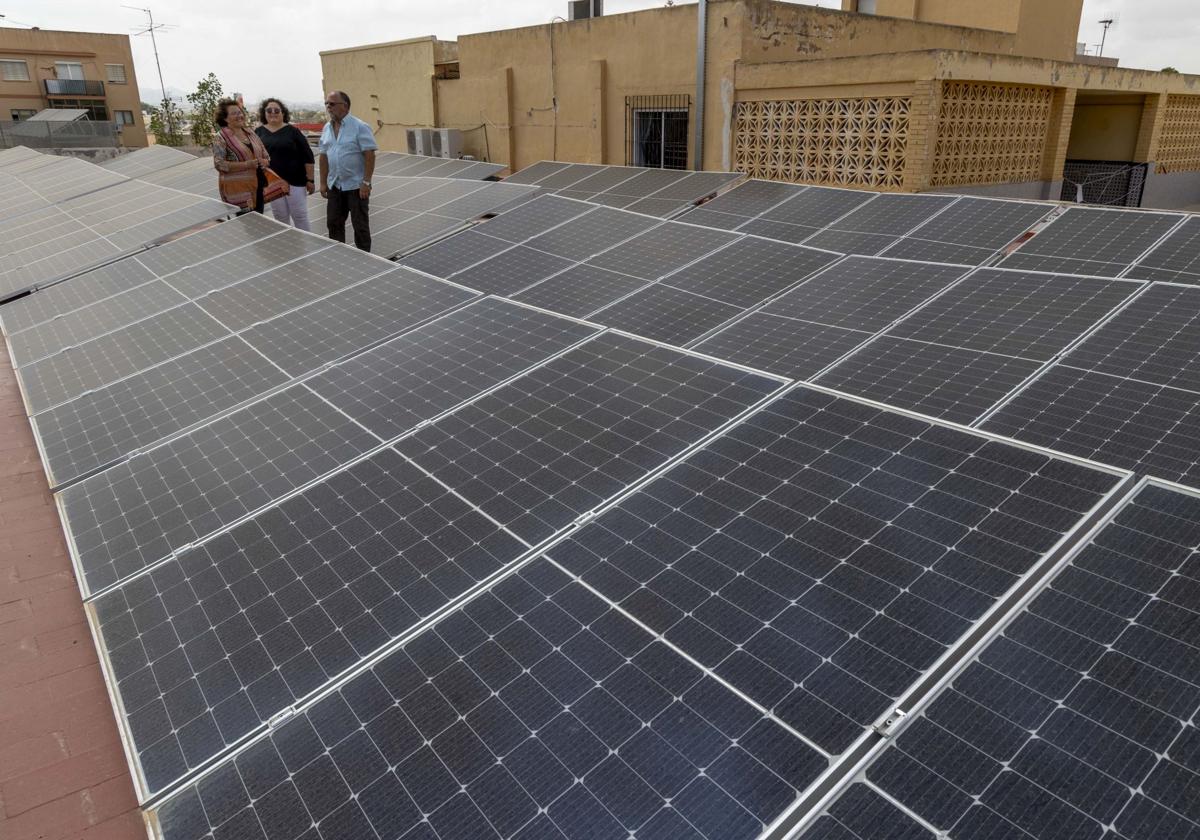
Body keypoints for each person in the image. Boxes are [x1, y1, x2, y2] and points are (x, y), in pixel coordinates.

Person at [318, 90, 377, 252]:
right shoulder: (326, 128)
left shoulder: (360, 126)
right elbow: (323, 156)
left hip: (356, 187)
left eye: (332, 104)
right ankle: (340, 257)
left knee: (360, 226)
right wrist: (323, 183)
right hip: (335, 186)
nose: (328, 107)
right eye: (327, 104)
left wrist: (366, 182)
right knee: (333, 224)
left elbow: (369, 155)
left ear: (345, 106)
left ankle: (365, 259)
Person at [255, 97, 315, 230]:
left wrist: (310, 180)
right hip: (272, 183)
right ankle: (288, 247)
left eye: (277, 110)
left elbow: (308, 157)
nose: (273, 113)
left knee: (299, 216)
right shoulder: (258, 133)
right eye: (269, 110)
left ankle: (307, 246)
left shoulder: (293, 132)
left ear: (283, 113)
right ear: (264, 113)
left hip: (295, 182)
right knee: (280, 217)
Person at [212, 98, 271, 213]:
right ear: (225, 118)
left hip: (257, 186)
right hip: (238, 191)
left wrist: (265, 162)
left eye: (240, 112)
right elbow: (219, 164)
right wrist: (247, 164)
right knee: (247, 225)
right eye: (234, 113)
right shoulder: (220, 137)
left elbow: (266, 156)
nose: (239, 115)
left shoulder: (250, 132)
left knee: (259, 223)